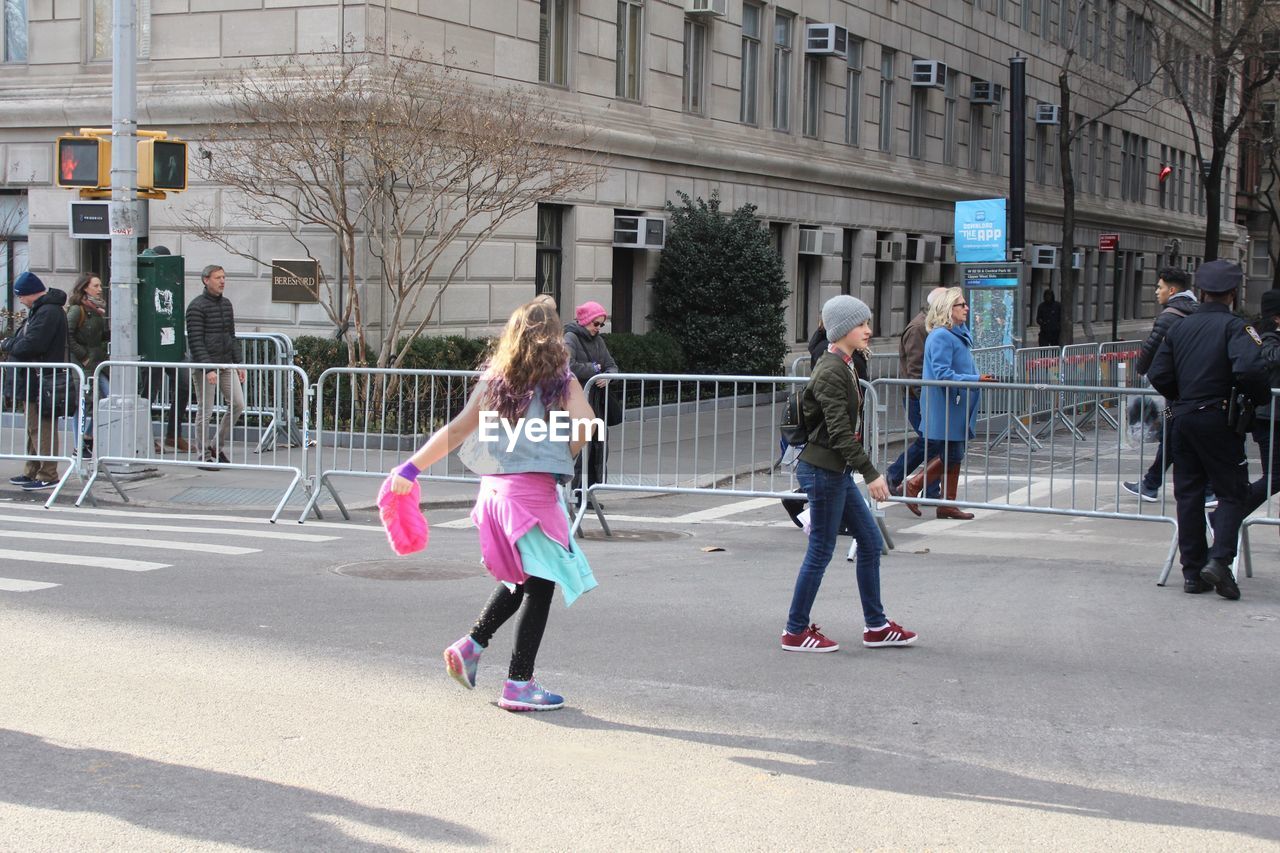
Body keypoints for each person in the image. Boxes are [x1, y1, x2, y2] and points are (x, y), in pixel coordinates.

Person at [389, 297, 598, 711]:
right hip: (531, 499)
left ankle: (472, 647)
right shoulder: (561, 380)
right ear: (555, 338)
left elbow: (455, 431)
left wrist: (410, 469)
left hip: (494, 497)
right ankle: (518, 682)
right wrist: (564, 455)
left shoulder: (495, 380)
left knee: (523, 578)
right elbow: (588, 423)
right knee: (540, 585)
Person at [781, 294, 917, 653]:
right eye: (861, 324)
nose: (868, 330)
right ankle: (795, 631)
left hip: (834, 470)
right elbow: (840, 433)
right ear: (842, 330)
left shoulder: (846, 363)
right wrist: (872, 474)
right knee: (821, 550)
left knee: (870, 543)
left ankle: (876, 626)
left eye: (868, 323)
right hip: (824, 471)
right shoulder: (830, 369)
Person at [1147, 260, 1269, 599]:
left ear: (1201, 292)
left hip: (1182, 418)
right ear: (1231, 294)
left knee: (1188, 493)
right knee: (1233, 492)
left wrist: (1180, 396)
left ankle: (1192, 573)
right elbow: (1250, 370)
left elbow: (1158, 373)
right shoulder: (1236, 328)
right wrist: (1254, 399)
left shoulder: (1179, 327)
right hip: (1219, 416)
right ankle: (1219, 561)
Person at [1122, 268, 1213, 505]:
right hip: (1190, 390)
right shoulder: (1195, 311)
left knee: (1175, 433)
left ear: (1172, 290)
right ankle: (1151, 483)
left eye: (1160, 287)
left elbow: (1150, 350)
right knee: (1170, 432)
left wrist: (1141, 370)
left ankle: (1208, 489)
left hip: (1178, 393)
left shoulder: (1169, 316)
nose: (1156, 291)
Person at [904, 287, 994, 519]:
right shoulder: (941, 335)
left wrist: (975, 378)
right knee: (953, 453)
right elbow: (942, 373)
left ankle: (946, 503)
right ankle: (914, 485)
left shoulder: (954, 333)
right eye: (961, 304)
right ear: (947, 309)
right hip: (945, 404)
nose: (966, 308)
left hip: (954, 403)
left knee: (955, 452)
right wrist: (975, 379)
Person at [2, 272, 70, 491]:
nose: (20, 300)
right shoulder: (42, 310)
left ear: (31, 293)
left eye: (21, 296)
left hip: (41, 379)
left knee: (42, 428)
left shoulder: (47, 311)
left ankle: (48, 474)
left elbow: (31, 345)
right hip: (35, 378)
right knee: (34, 428)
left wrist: (8, 344)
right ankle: (32, 471)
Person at [887, 285, 947, 498]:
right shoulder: (919, 328)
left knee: (935, 441)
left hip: (928, 396)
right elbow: (915, 370)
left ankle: (930, 491)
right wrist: (926, 401)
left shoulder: (934, 326)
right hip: (918, 397)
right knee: (931, 440)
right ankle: (894, 474)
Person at [186, 264, 245, 468]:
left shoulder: (226, 304)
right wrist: (208, 368)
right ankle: (202, 454)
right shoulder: (196, 306)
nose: (222, 281)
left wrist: (238, 363)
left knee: (238, 404)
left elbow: (231, 335)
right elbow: (195, 341)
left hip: (225, 363)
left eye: (224, 277)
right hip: (205, 366)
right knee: (206, 410)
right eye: (218, 277)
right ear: (206, 280)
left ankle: (216, 446)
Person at [564, 301, 618, 505]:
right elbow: (568, 366)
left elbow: (612, 365)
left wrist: (609, 376)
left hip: (596, 401)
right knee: (582, 446)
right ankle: (578, 491)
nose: (598, 328)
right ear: (585, 321)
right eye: (596, 323)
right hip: (579, 402)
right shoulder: (570, 338)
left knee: (598, 447)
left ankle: (589, 491)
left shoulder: (599, 341)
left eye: (601, 324)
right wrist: (596, 369)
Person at [1241, 289, 1280, 523]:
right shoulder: (1265, 338)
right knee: (1274, 478)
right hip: (1269, 419)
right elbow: (1270, 357)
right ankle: (1228, 514)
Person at [66, 272, 109, 458]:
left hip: (97, 363)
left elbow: (99, 335)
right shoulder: (78, 309)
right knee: (82, 404)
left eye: (100, 286)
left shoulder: (97, 309)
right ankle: (79, 445)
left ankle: (88, 435)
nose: (100, 290)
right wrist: (83, 356)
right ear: (85, 287)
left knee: (107, 397)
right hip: (83, 365)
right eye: (96, 286)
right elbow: (67, 334)